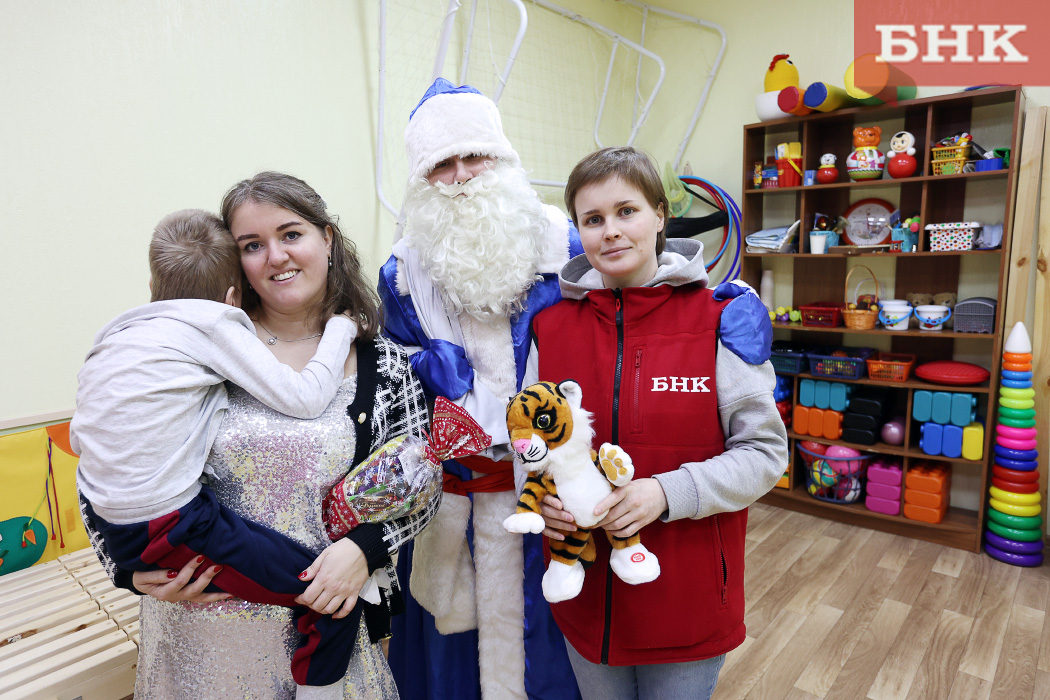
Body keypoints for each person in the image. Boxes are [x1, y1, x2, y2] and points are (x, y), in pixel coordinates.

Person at [81, 172, 432, 700]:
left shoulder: (383, 364)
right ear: (233, 262)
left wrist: (364, 550)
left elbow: (423, 481)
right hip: (194, 646)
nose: (275, 256)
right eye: (252, 244)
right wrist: (126, 571)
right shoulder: (199, 341)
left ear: (326, 238)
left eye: (290, 234)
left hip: (323, 634)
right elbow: (108, 455)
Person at [527, 147, 788, 700]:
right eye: (592, 219)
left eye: (627, 211)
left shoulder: (719, 319)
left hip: (686, 603)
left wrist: (667, 493)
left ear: (661, 215)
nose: (611, 231)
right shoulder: (550, 329)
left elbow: (765, 454)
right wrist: (541, 500)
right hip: (585, 600)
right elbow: (532, 446)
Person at [379, 78, 583, 700]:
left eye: (475, 156)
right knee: (452, 647)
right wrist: (423, 369)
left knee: (551, 639)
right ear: (422, 179)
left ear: (502, 158)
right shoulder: (403, 272)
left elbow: (625, 321)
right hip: (455, 496)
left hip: (550, 490)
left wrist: (710, 304)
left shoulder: (564, 244)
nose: (462, 175)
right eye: (442, 164)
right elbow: (392, 379)